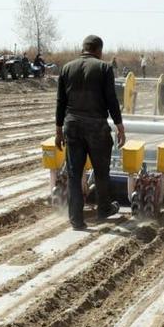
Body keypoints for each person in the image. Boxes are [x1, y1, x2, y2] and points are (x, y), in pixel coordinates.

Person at [55, 35, 126, 230]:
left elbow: (60, 102)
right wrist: (119, 126)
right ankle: (103, 209)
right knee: (102, 171)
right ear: (99, 50)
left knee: (74, 173)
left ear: (84, 48)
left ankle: (76, 220)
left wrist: (58, 130)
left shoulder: (67, 68)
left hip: (72, 125)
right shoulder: (104, 68)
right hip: (96, 126)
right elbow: (111, 99)